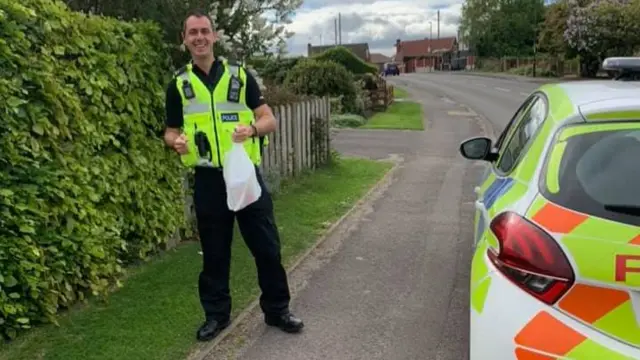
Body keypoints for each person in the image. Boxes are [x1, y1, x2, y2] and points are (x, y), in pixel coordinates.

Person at [163, 9, 304, 342]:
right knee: (214, 253)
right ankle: (216, 316)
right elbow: (169, 132)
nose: (199, 37)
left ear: (215, 36)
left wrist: (252, 129)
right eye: (192, 32)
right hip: (209, 180)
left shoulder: (240, 77)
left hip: (244, 176)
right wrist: (177, 142)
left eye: (204, 31)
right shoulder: (179, 85)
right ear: (184, 40)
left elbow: (269, 119)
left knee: (267, 246)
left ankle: (278, 310)